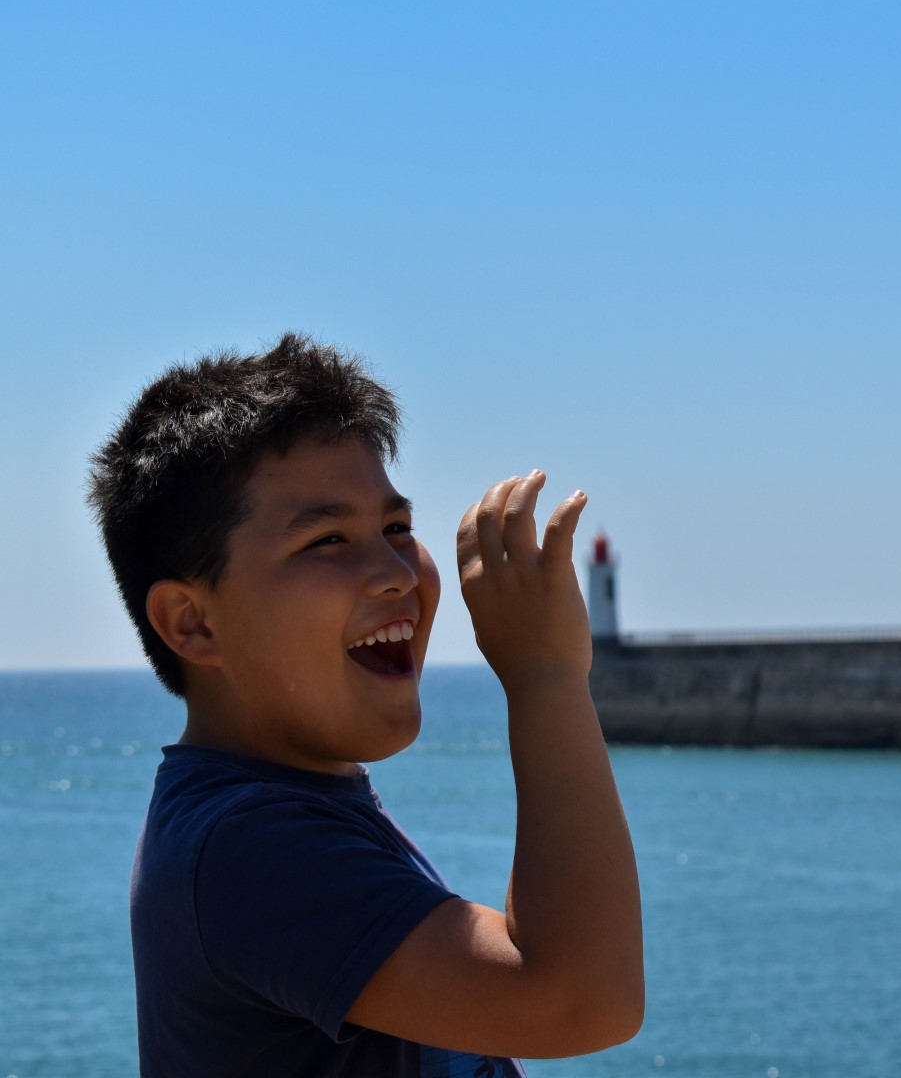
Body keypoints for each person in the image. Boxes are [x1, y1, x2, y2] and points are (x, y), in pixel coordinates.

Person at [85, 333, 643, 1076]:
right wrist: (545, 677)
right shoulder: (248, 848)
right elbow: (580, 998)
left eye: (396, 528)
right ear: (194, 623)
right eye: (327, 540)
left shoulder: (287, 808)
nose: (394, 572)